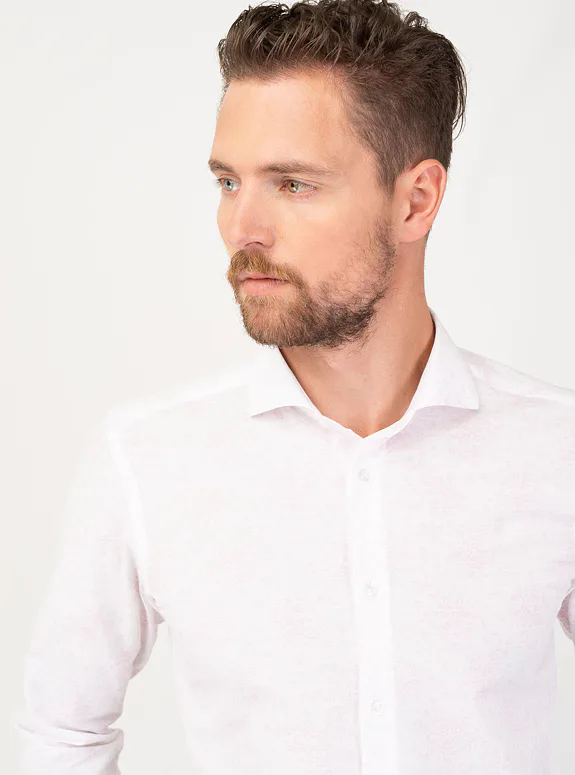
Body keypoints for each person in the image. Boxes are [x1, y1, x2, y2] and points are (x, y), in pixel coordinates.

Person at [14, 1, 575, 773]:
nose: (242, 227)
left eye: (292, 184)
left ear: (415, 200)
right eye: (227, 181)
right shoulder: (147, 458)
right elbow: (63, 733)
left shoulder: (552, 448)